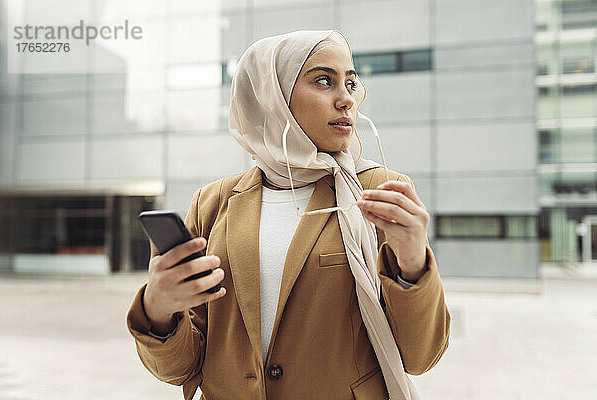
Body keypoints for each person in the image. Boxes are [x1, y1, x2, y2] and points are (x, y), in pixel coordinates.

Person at [127, 30, 450, 400]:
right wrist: (159, 310)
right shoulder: (212, 203)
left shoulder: (380, 193)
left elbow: (420, 356)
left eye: (350, 81)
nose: (347, 99)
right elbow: (182, 368)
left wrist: (413, 263)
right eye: (324, 80)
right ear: (272, 96)